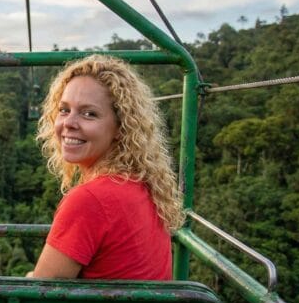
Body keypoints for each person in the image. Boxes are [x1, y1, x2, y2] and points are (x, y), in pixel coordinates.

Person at [28, 54, 184, 280]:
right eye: (64, 110)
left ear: (121, 128)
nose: (69, 123)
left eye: (89, 114)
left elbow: (36, 301)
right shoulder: (141, 186)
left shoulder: (91, 199)